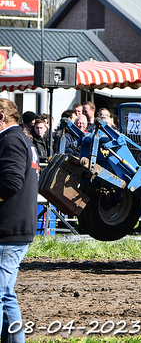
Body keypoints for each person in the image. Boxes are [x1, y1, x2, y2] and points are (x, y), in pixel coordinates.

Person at [0, 99, 39, 343]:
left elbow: (11, 183)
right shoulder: (23, 138)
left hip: (9, 228)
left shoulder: (11, 140)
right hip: (16, 226)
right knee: (5, 294)